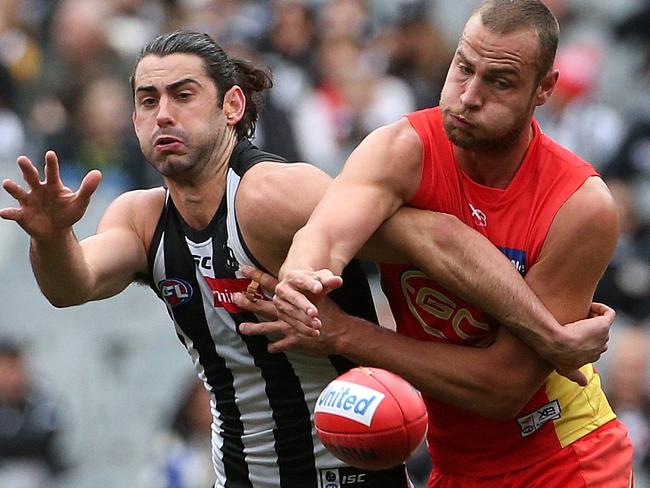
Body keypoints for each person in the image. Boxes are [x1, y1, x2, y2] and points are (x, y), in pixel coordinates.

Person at [0, 29, 614, 487]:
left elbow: (436, 238)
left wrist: (547, 334)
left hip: (348, 468)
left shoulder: (272, 196)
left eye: (183, 95)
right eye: (147, 98)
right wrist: (51, 236)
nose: (162, 113)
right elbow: (71, 285)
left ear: (232, 108)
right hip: (239, 476)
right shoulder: (138, 217)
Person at [260, 1, 634, 486]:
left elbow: (503, 388)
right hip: (455, 466)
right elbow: (324, 233)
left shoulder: (579, 206)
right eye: (463, 67)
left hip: (565, 456)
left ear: (544, 89)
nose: (467, 96)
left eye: (499, 81)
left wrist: (346, 334)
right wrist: (300, 282)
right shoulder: (402, 149)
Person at [0, 338, 68, 487]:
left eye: (14, 366)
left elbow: (44, 438)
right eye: (5, 367)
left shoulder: (39, 400)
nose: (12, 375)